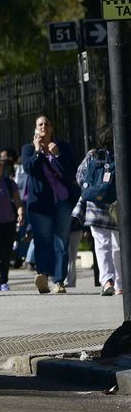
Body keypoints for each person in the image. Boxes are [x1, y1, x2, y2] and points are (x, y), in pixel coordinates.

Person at [20, 114, 80, 294]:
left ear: (52, 128)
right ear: (36, 129)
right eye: (40, 124)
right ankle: (43, 277)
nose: (44, 126)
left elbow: (71, 173)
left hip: (62, 201)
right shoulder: (28, 149)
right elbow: (30, 170)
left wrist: (57, 155)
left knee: (61, 241)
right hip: (39, 205)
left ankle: (59, 281)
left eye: (47, 123)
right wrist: (39, 152)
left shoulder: (64, 148)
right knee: (42, 241)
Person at [76, 126, 121, 296]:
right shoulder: (122, 153)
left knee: (102, 245)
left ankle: (106, 281)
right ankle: (120, 284)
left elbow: (80, 176)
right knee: (118, 246)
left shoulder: (93, 155)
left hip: (95, 207)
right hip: (116, 207)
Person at [0, 150, 23, 292]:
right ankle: (0, 281)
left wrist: (20, 212)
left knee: (6, 253)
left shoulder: (9, 183)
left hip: (8, 222)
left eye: (0, 165)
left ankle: (3, 279)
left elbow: (17, 201)